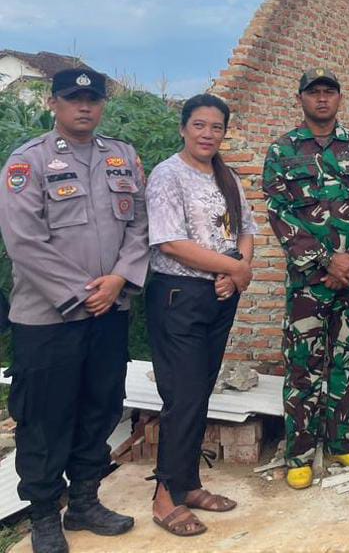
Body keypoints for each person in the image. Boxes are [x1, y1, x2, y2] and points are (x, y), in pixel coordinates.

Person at [0, 69, 148, 553]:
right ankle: (45, 515)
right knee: (44, 416)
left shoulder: (122, 157)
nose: (83, 106)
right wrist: (82, 292)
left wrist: (120, 279)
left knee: (100, 407)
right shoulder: (29, 162)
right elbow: (24, 241)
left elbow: (141, 227)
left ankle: (85, 501)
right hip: (48, 318)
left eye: (92, 98)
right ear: (53, 102)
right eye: (72, 98)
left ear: (103, 103)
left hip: (110, 310)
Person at [262, 70, 349, 491]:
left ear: (338, 98)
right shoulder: (282, 150)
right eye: (313, 93)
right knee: (303, 364)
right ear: (300, 99)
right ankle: (298, 453)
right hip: (308, 281)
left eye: (328, 92)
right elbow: (279, 211)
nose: (321, 99)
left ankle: (339, 440)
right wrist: (323, 262)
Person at [144, 94, 257, 537]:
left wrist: (235, 272)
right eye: (199, 125)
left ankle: (189, 484)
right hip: (179, 296)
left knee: (200, 393)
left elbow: (246, 229)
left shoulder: (225, 176)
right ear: (183, 128)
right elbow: (170, 242)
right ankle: (164, 496)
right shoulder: (167, 176)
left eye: (216, 127)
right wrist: (234, 268)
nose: (208, 134)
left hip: (219, 294)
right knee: (183, 397)